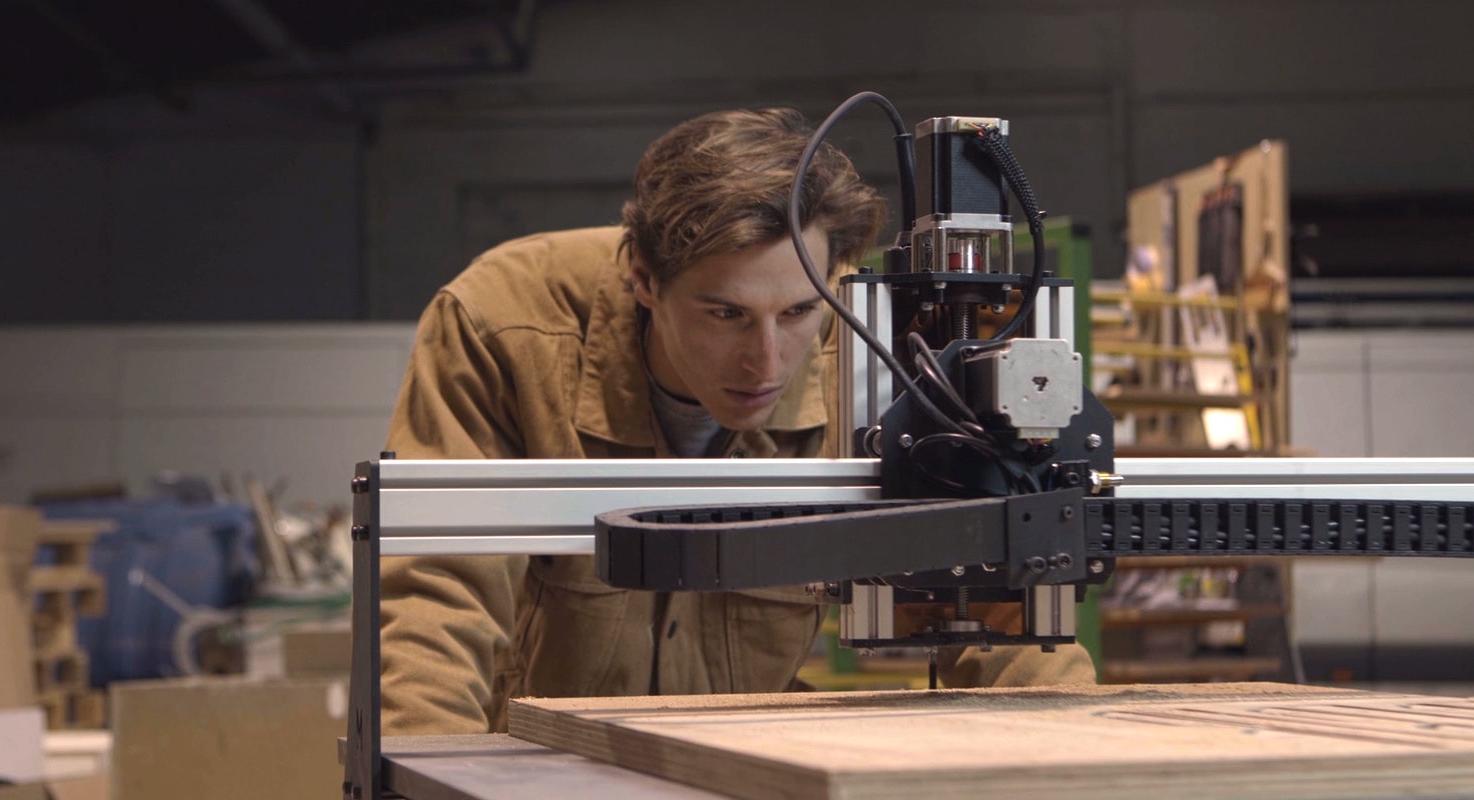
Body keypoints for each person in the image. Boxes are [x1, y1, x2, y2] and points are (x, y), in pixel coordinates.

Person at [379, 107, 1094, 735]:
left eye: (796, 315)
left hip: (743, 760)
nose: (766, 363)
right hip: (541, 763)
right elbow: (439, 600)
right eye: (725, 315)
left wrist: (1080, 761)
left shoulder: (873, 347)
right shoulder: (502, 324)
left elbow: (989, 588)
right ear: (644, 279)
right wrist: (425, 775)